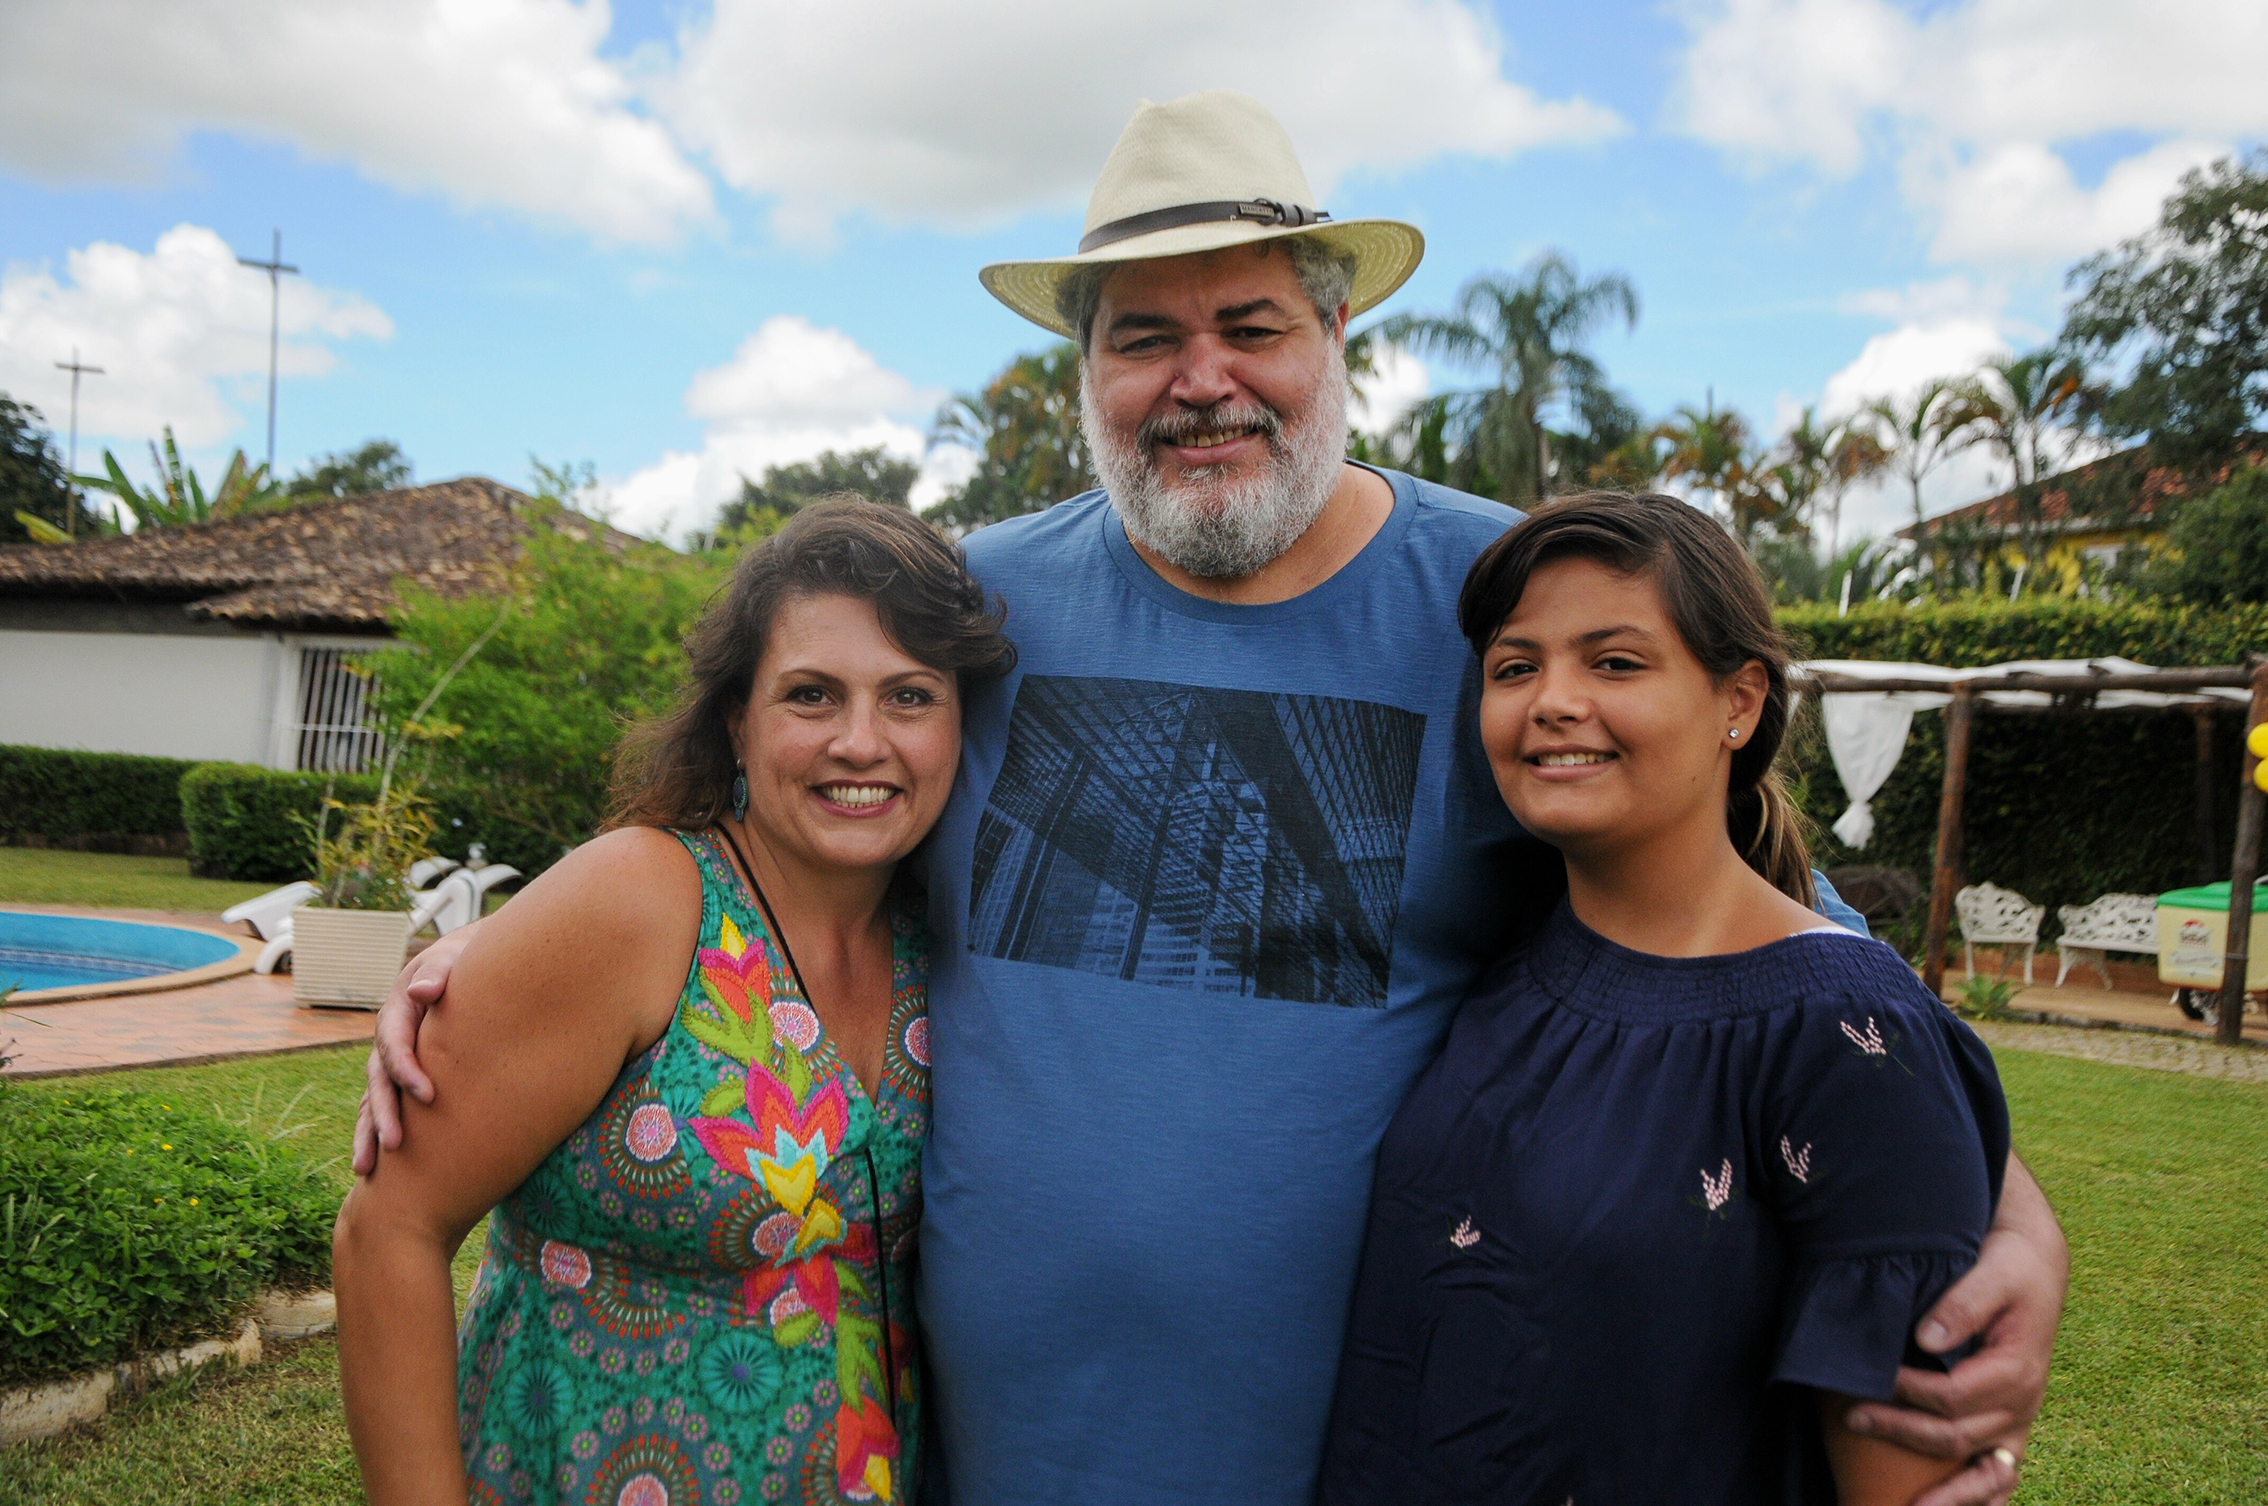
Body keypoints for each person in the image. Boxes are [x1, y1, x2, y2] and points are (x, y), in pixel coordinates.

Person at [358, 92, 2064, 1506]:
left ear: (1338, 337)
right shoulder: (966, 620)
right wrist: (490, 977)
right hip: (967, 1456)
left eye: (1252, 323)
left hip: (1363, 1450)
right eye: (1144, 337)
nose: (1202, 378)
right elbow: (779, 840)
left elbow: (1772, 946)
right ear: (1079, 376)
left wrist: (2005, 1208)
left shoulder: (1506, 610)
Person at [1321, 493, 2016, 1504]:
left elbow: (1903, 1466)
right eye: (1517, 668)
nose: (1553, 700)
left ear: (1739, 701)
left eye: (1615, 662)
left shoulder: (1845, 1028)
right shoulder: (1515, 960)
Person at [334, 501, 1013, 1505]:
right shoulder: (644, 903)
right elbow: (386, 1231)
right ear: (738, 722)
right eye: (812, 696)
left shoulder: (940, 928)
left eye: (910, 696)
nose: (862, 742)